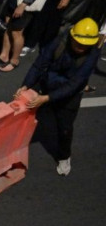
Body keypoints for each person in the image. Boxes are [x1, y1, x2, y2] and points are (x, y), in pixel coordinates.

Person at [14, 17, 100, 176]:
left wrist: (46, 98)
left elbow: (74, 84)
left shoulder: (93, 54)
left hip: (69, 95)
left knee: (65, 129)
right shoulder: (58, 43)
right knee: (26, 111)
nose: (81, 48)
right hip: (48, 83)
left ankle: (64, 156)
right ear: (72, 37)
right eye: (78, 43)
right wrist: (26, 84)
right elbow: (39, 65)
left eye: (85, 45)